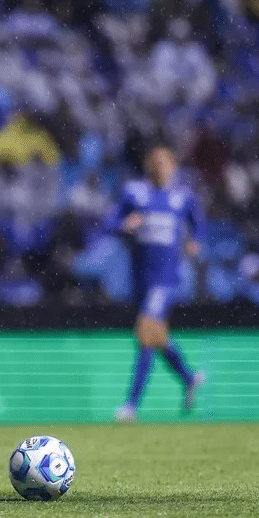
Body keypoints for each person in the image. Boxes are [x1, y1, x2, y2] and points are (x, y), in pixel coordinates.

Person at [110, 145, 205, 422]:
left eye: (166, 165)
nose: (162, 170)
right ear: (149, 167)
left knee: (145, 334)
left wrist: (195, 241)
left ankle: (131, 405)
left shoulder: (182, 197)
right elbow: (111, 222)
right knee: (155, 336)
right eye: (157, 165)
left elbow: (198, 224)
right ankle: (189, 377)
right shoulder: (134, 194)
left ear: (173, 167)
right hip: (141, 278)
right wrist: (125, 224)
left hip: (167, 279)